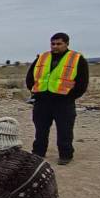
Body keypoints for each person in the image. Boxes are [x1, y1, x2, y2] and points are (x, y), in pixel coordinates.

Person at [26, 32, 89, 165]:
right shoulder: (42, 57)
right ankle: (38, 153)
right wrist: (34, 92)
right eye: (53, 43)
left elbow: (82, 82)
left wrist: (70, 96)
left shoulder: (76, 59)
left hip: (63, 102)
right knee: (40, 130)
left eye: (59, 44)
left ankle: (65, 155)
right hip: (42, 101)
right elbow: (30, 77)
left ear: (66, 44)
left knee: (64, 130)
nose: (55, 46)